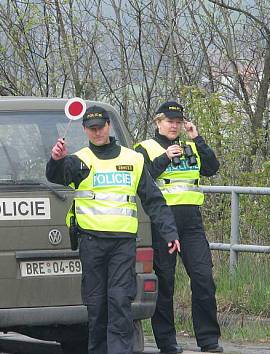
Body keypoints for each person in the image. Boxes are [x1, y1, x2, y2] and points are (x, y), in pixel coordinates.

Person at [46, 105, 181, 354]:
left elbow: (154, 200)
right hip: (91, 242)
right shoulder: (80, 160)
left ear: (108, 126)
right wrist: (56, 160)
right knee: (97, 307)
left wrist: (169, 232)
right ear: (85, 130)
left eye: (101, 127)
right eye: (92, 128)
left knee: (120, 302)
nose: (97, 132)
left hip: (122, 244)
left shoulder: (133, 159)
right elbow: (56, 176)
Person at [134, 101, 223, 353]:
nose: (174, 125)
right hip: (163, 222)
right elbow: (142, 178)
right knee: (165, 283)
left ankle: (208, 340)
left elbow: (212, 167)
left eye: (178, 122)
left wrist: (198, 138)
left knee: (203, 278)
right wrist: (165, 158)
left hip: (191, 222)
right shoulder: (145, 148)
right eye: (169, 121)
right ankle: (167, 342)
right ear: (157, 122)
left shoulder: (191, 145)